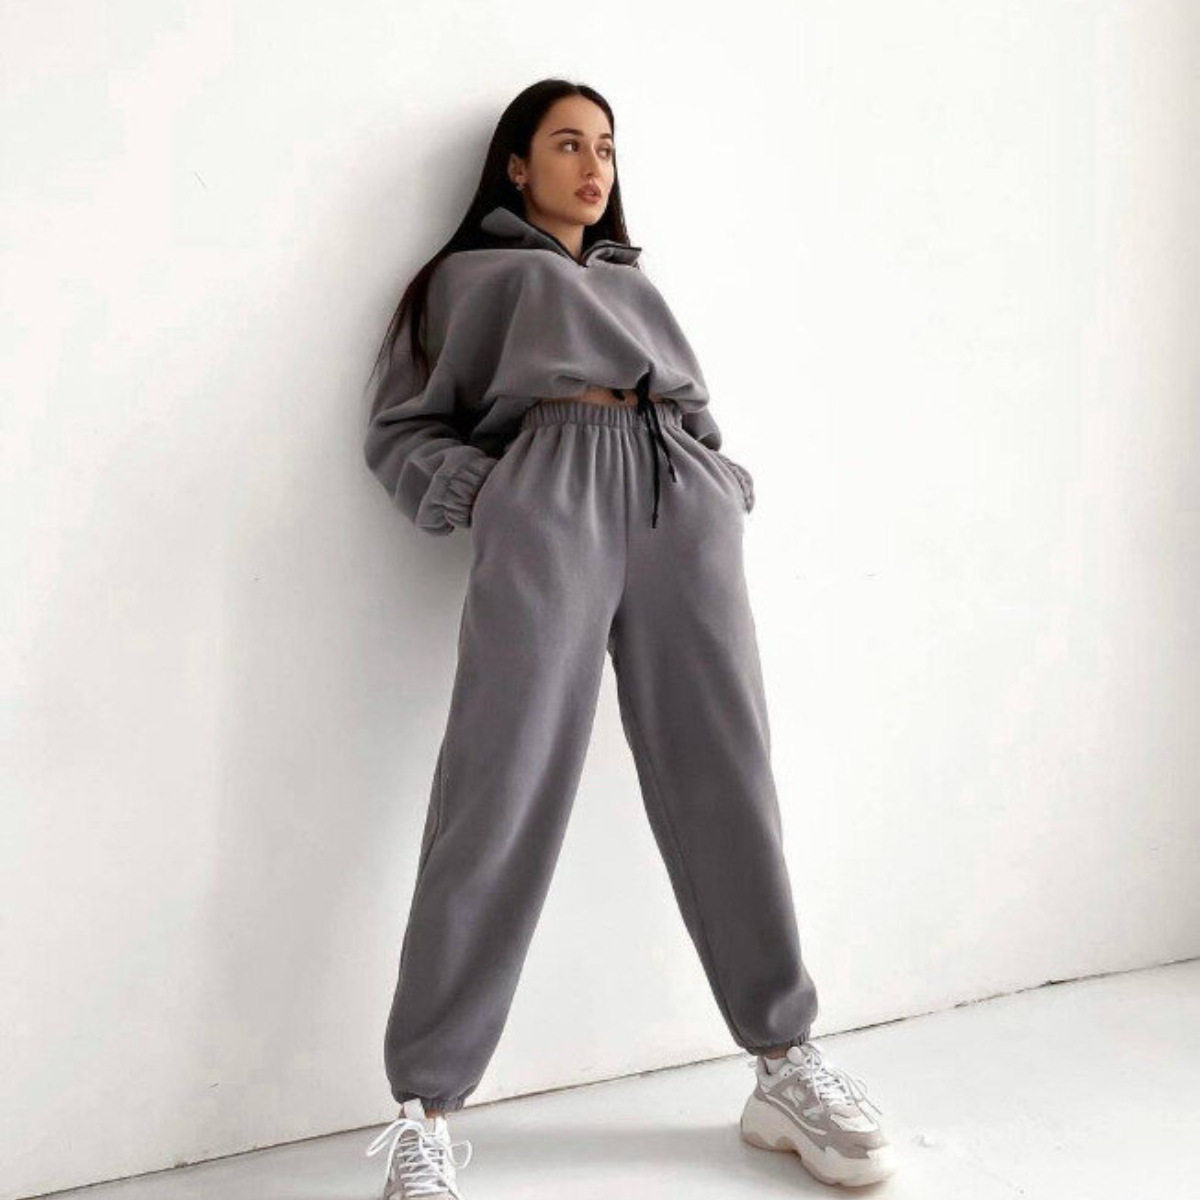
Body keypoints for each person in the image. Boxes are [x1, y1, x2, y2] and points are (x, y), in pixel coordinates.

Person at [361, 79, 896, 1199]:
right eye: (567, 144)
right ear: (516, 165)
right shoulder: (469, 281)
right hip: (551, 496)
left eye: (605, 146)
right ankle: (426, 1107)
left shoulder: (635, 283)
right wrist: (488, 492)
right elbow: (405, 426)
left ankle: (783, 1059)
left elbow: (693, 407)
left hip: (674, 500)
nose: (593, 164)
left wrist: (718, 480)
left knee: (725, 773)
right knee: (500, 784)